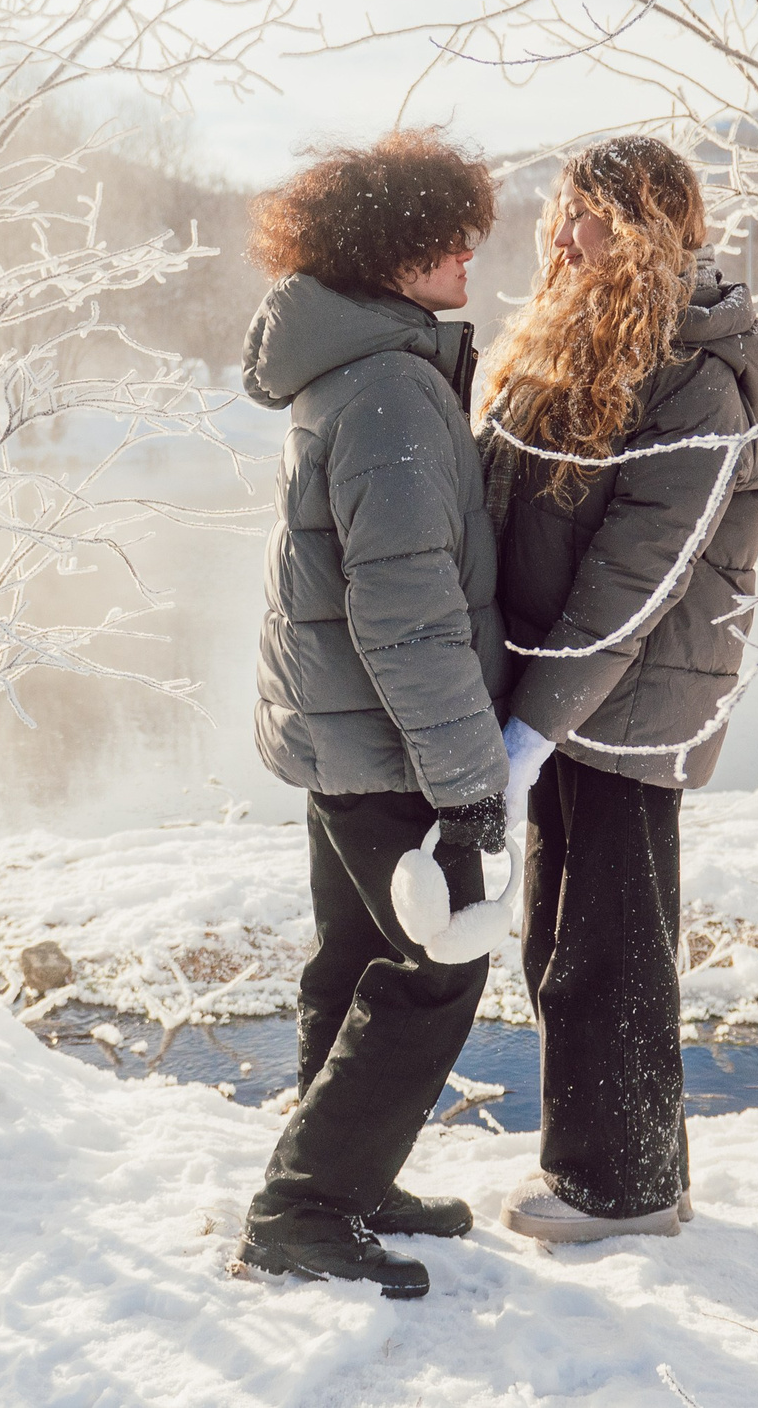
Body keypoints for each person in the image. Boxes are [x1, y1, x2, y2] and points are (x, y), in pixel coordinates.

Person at [478, 136, 758, 1245]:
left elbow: (631, 583)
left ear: (647, 227)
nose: (563, 235)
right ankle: (598, 1159)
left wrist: (524, 732)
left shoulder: (692, 373)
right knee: (557, 936)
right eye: (561, 212)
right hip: (564, 702)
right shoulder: (582, 339)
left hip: (627, 703)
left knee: (607, 947)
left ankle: (628, 1184)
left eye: (587, 216)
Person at [235, 129, 513, 1300]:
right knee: (434, 965)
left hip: (342, 730)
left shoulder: (354, 369)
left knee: (354, 963)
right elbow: (404, 607)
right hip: (389, 741)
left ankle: (352, 1175)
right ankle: (302, 1209)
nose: (468, 257)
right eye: (449, 238)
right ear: (396, 252)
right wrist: (466, 787)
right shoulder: (392, 390)